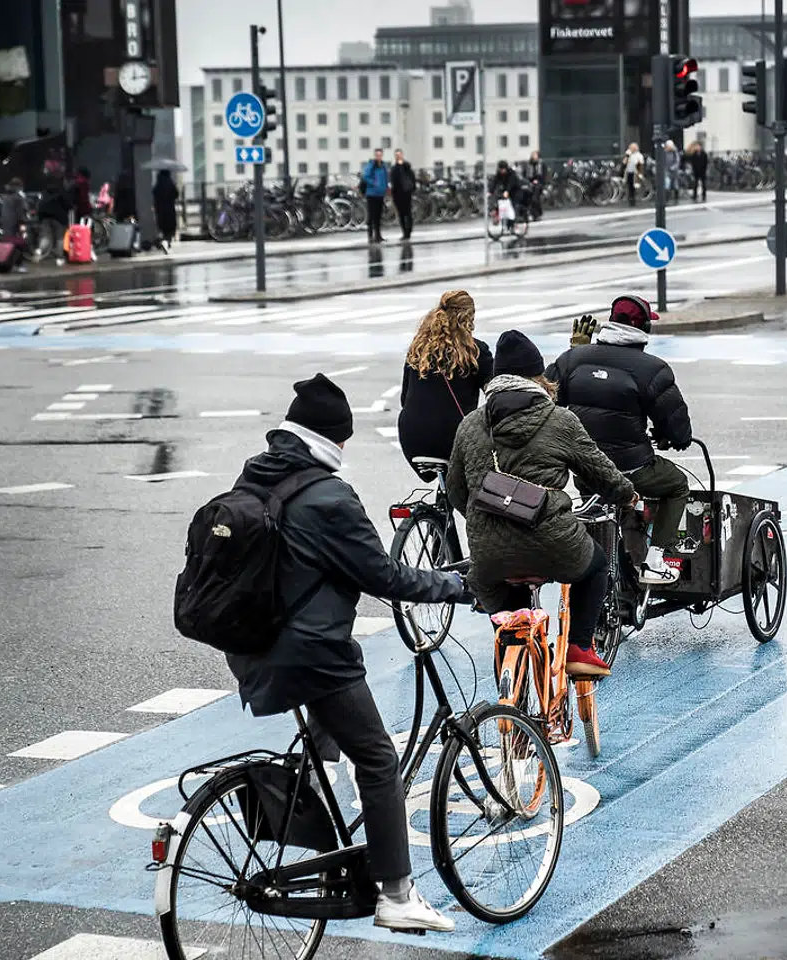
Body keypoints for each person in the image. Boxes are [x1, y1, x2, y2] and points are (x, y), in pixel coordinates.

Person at [223, 373, 468, 934]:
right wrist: (456, 586)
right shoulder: (330, 496)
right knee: (379, 760)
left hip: (252, 646)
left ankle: (328, 842)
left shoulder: (257, 476)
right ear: (334, 440)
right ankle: (397, 895)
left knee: (328, 737)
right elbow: (382, 575)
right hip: (310, 653)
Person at [448, 331, 637, 678]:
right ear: (538, 378)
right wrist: (628, 495)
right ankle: (580, 649)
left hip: (488, 559)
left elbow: (456, 492)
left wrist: (488, 519)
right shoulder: (560, 420)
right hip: (553, 543)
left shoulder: (470, 424)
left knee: (509, 619)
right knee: (596, 569)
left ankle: (512, 686)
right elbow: (601, 473)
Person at [547, 296, 692, 586]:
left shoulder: (572, 359)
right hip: (631, 468)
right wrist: (673, 439)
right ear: (646, 328)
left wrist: (577, 351)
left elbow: (549, 396)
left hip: (586, 468)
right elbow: (678, 428)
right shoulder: (653, 369)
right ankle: (655, 558)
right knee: (676, 485)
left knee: (595, 506)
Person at [397, 289, 494, 473]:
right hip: (453, 437)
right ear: (469, 318)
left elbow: (404, 398)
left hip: (412, 437)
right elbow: (496, 394)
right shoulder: (475, 352)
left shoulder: (418, 349)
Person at [359, 147, 389, 243]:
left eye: (380, 155)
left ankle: (378, 236)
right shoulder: (371, 165)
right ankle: (370, 236)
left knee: (378, 216)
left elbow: (385, 177)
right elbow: (365, 176)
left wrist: (385, 187)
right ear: (375, 155)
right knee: (372, 215)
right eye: (377, 155)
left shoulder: (383, 165)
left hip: (380, 194)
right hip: (372, 194)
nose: (378, 156)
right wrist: (374, 183)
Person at [389, 149, 417, 240]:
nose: (398, 157)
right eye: (396, 155)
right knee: (401, 214)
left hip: (406, 193)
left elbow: (412, 178)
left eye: (399, 155)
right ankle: (405, 232)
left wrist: (412, 189)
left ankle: (408, 231)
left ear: (402, 155)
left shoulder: (407, 167)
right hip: (397, 194)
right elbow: (393, 180)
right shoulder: (394, 168)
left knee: (407, 213)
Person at [153, 169, 179, 252]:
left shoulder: (158, 184)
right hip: (170, 209)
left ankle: (165, 242)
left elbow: (154, 193)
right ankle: (166, 243)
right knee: (170, 229)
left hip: (160, 210)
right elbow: (176, 194)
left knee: (163, 228)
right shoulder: (170, 183)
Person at [525, 150, 546, 220]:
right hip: (530, 183)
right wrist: (530, 181)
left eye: (535, 155)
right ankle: (533, 214)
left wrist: (538, 181)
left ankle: (537, 214)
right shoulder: (528, 164)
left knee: (535, 197)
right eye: (533, 155)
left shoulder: (541, 164)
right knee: (529, 197)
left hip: (539, 183)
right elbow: (526, 175)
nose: (534, 156)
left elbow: (544, 175)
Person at [622, 142, 644, 207]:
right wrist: (627, 156)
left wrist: (640, 173)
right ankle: (630, 200)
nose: (631, 149)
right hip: (629, 172)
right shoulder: (629, 155)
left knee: (635, 187)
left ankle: (634, 200)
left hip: (635, 173)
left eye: (632, 148)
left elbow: (641, 165)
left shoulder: (639, 155)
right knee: (629, 186)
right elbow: (624, 162)